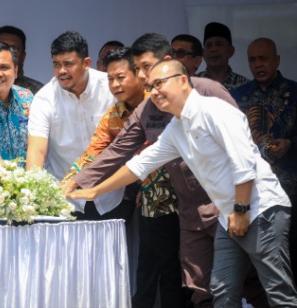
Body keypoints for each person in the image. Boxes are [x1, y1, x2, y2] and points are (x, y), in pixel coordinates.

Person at [68, 59, 297, 307]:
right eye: (151, 87)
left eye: (159, 84)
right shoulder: (176, 128)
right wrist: (96, 190)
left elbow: (244, 165)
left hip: (262, 209)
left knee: (277, 292)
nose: (154, 92)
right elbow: (140, 164)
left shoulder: (216, 111)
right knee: (222, 291)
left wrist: (241, 210)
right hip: (228, 216)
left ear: (183, 80)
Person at [63, 33, 238, 307]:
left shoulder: (207, 91)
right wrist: (82, 183)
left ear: (168, 63)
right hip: (183, 209)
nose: (143, 76)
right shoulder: (146, 109)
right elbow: (119, 153)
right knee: (195, 285)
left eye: (145, 67)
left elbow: (240, 148)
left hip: (227, 204)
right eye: (139, 69)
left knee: (247, 281)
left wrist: (241, 205)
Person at [60, 46, 183, 308]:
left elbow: (165, 150)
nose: (115, 85)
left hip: (182, 194)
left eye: (121, 77)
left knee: (175, 266)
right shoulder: (114, 115)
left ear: (138, 75)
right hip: (147, 197)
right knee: (148, 264)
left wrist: (147, 181)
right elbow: (95, 154)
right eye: (109, 79)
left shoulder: (161, 100)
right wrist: (70, 182)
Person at [26, 30, 116, 216]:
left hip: (111, 194)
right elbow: (37, 150)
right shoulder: (45, 98)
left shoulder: (110, 88)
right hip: (65, 199)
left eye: (68, 64)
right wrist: (32, 192)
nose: (62, 71)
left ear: (86, 63)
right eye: (56, 65)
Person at [231, 37, 297, 283]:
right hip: (250, 194)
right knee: (252, 263)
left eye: (264, 58)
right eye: (252, 59)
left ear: (277, 60)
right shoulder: (237, 97)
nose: (258, 64)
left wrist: (291, 144)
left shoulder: (295, 93)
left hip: (290, 191)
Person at [197, 22, 249, 91]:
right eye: (209, 45)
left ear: (230, 51)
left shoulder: (245, 85)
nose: (213, 49)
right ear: (203, 53)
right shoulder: (192, 84)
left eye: (219, 44)